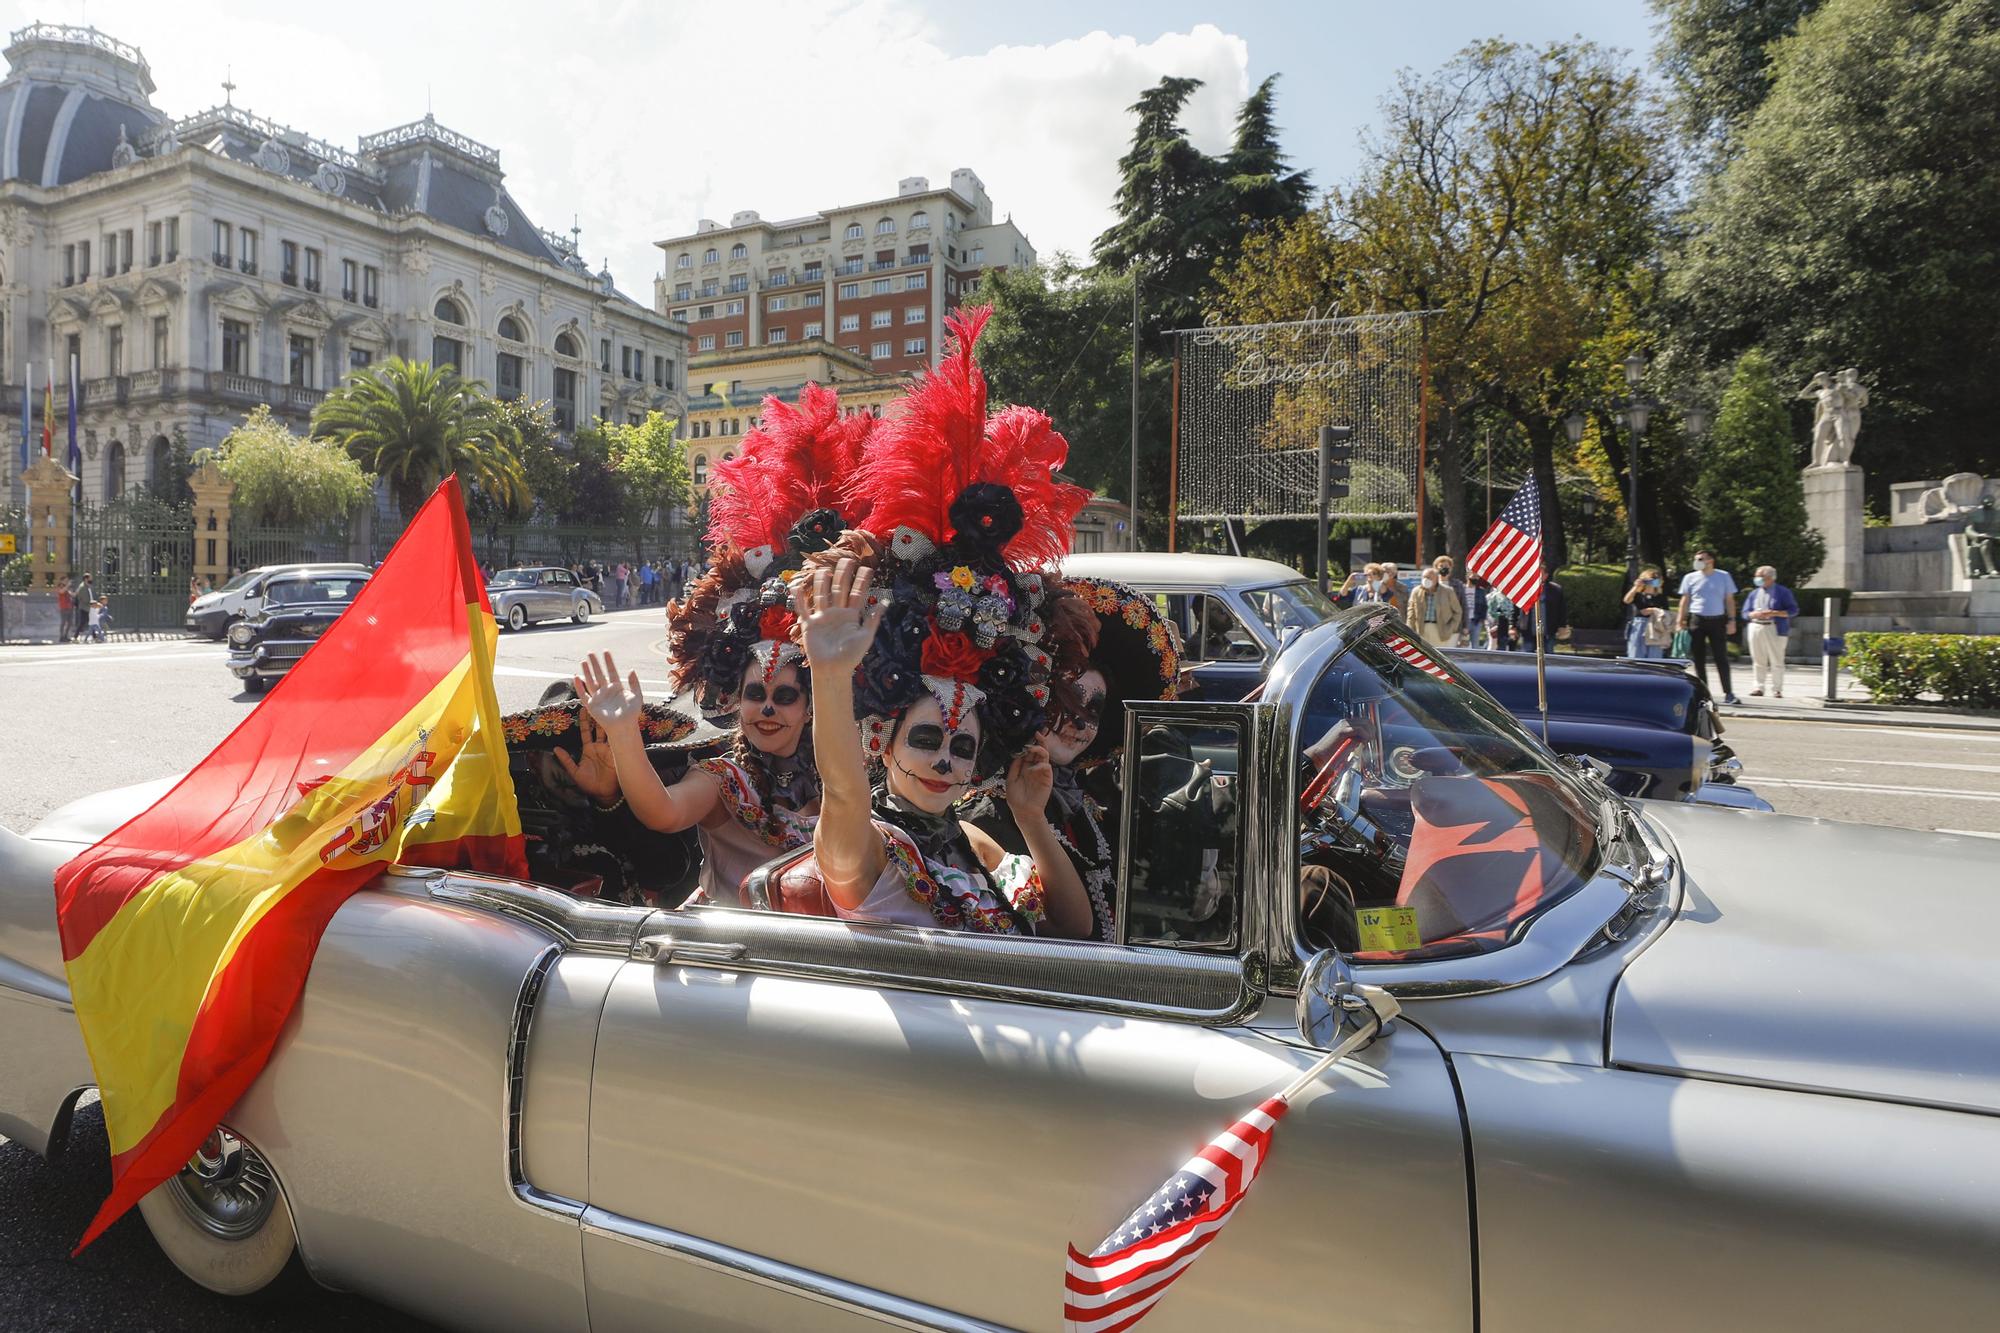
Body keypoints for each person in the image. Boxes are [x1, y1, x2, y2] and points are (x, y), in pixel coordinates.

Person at [798, 308, 1096, 938]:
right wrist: (829, 677)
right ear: (881, 740)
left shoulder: (972, 839)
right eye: (928, 740)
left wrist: (1032, 818)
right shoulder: (868, 851)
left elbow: (1075, 932)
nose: (944, 761)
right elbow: (844, 793)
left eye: (961, 747)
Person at [571, 384, 877, 904]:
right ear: (735, 699)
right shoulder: (723, 778)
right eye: (756, 694)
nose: (767, 709)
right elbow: (664, 812)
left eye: (785, 697)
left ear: (810, 706)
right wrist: (624, 732)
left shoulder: (845, 769)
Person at [963, 578, 1180, 941]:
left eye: (1094, 709)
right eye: (1066, 702)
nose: (1080, 722)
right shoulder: (987, 813)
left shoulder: (1081, 803)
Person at [1675, 549, 1740, 704]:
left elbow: (1729, 599)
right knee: (1699, 658)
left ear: (1710, 560)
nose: (1697, 561)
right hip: (1697, 619)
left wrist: (1732, 620)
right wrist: (1680, 620)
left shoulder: (1723, 576)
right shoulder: (1690, 577)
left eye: (1701, 559)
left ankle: (1728, 692)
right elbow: (1685, 600)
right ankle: (1703, 693)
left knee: (1721, 657)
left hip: (1717, 620)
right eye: (1696, 558)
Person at [1741, 565, 1799, 698]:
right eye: (1757, 576)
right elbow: (1745, 612)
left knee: (1777, 660)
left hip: (1774, 627)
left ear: (1770, 578)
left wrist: (1774, 613)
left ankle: (1777, 689)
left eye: (1761, 576)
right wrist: (1752, 614)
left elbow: (1793, 610)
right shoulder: (1754, 593)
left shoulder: (1782, 592)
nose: (1757, 579)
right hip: (1756, 626)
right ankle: (1758, 687)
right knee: (1758, 659)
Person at [1406, 566, 1463, 647]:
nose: (1426, 579)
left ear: (1436, 579)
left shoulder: (1448, 591)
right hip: (1421, 630)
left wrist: (1451, 628)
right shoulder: (1416, 591)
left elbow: (1458, 612)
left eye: (1429, 577)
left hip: (1441, 630)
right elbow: (1411, 612)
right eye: (1424, 577)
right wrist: (1409, 629)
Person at [1622, 566, 1672, 659]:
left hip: (1655, 626)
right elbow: (1627, 600)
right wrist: (1636, 587)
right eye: (1651, 579)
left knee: (1654, 655)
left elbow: (1667, 612)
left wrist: (1653, 610)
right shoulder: (1639, 595)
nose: (1654, 582)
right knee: (1636, 654)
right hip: (1639, 625)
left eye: (1657, 579)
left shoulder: (1661, 596)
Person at [1464, 572, 1490, 649]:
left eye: (1477, 577)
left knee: (1475, 645)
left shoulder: (1481, 591)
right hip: (1463, 621)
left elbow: (1484, 606)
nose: (1476, 578)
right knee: (1462, 643)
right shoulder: (1461, 589)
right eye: (1474, 576)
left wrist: (1482, 619)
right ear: (1468, 576)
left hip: (1476, 621)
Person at [56, 577, 73, 643]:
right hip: (63, 607)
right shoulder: (60, 587)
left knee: (69, 623)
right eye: (65, 580)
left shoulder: (67, 588)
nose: (66, 581)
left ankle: (66, 636)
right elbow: (61, 591)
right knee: (63, 623)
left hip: (69, 607)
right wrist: (67, 585)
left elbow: (72, 595)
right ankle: (61, 637)